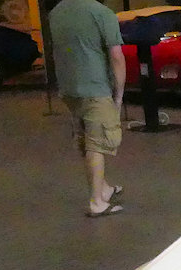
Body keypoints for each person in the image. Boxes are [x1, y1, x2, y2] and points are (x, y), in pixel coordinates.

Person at [49, 0, 127, 218]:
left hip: (68, 87)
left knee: (86, 137)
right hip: (95, 86)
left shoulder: (57, 12)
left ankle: (103, 188)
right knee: (98, 143)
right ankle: (96, 202)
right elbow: (117, 57)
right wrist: (118, 96)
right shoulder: (102, 13)